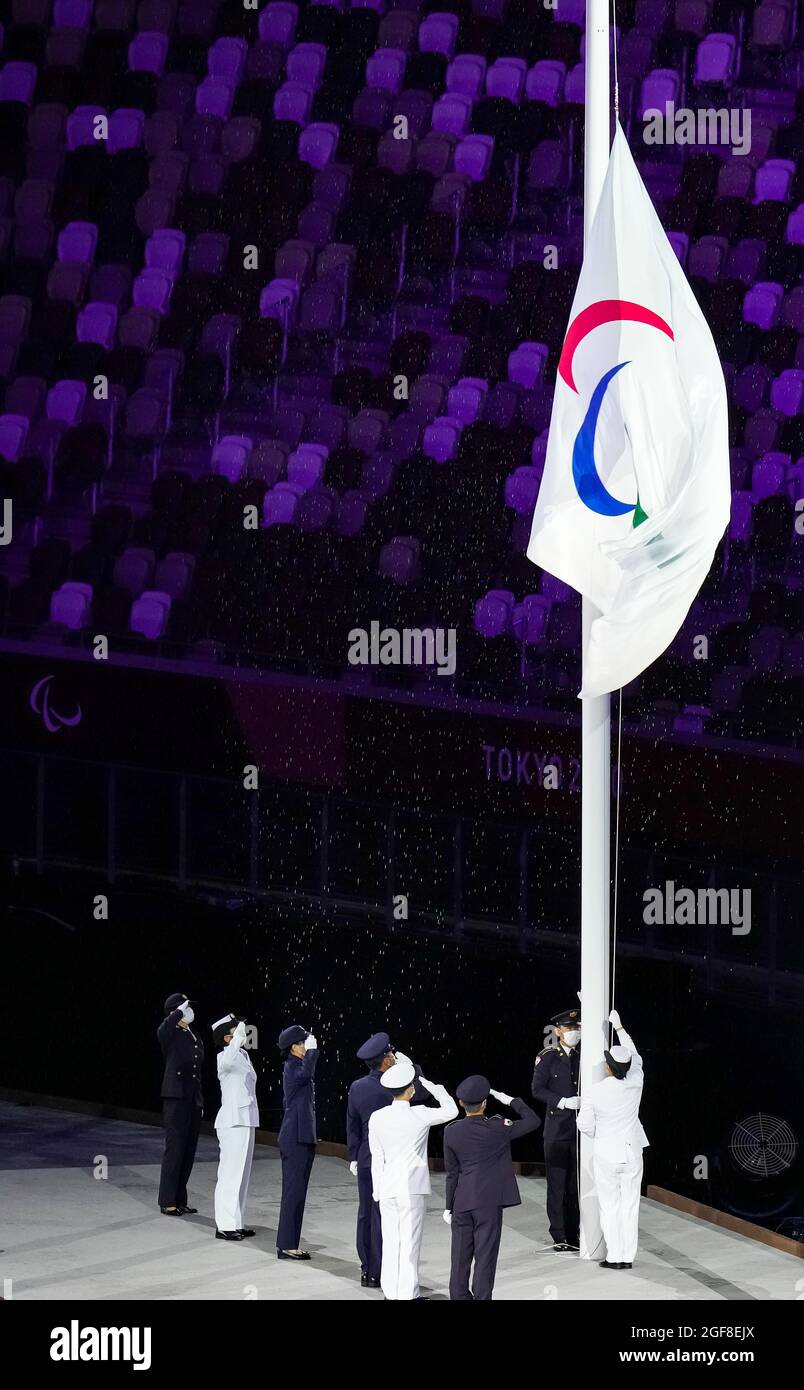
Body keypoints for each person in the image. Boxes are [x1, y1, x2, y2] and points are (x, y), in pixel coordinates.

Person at [346, 1032, 433, 1289]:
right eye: (391, 1055)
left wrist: (354, 1154)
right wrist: (413, 1068)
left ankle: (369, 1271)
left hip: (364, 1158)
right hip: (392, 1163)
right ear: (385, 1061)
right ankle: (387, 1275)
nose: (394, 1058)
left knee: (366, 1216)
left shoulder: (358, 1087)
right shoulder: (393, 1087)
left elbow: (351, 1124)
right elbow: (424, 1092)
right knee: (389, 1221)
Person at [443, 1075, 541, 1300]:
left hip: (461, 1203)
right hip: (488, 1203)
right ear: (485, 1103)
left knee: (459, 1259)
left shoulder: (451, 1131)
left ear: (461, 1103)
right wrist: (512, 1101)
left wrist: (449, 1206)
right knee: (485, 1258)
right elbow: (533, 1120)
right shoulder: (498, 1127)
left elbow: (452, 1174)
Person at [368, 1059, 457, 1301]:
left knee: (391, 1241)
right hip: (412, 1188)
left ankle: (391, 1292)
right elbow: (452, 1111)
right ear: (411, 1089)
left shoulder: (377, 1117)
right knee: (409, 1241)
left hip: (386, 1187)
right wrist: (438, 1089)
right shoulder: (420, 1113)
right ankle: (407, 1294)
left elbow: (377, 1157)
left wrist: (377, 1190)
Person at [576, 1009, 649, 1270]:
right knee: (630, 1204)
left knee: (609, 1205)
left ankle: (615, 1256)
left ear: (608, 1067)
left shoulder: (595, 1091)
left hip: (607, 1153)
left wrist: (601, 1135)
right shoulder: (636, 1081)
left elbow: (583, 1124)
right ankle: (627, 1257)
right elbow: (636, 1056)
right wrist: (619, 1028)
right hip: (631, 1152)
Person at [531, 1006, 581, 1251]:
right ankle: (559, 1235)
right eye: (569, 1028)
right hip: (557, 1131)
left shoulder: (582, 1056)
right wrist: (562, 1102)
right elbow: (537, 1089)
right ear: (558, 1031)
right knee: (557, 1185)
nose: (573, 1032)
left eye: (576, 1028)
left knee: (575, 1187)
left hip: (580, 1131)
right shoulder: (548, 1056)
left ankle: (574, 1233)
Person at [212, 1013, 258, 1242]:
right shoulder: (224, 1057)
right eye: (237, 1033)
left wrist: (239, 1043)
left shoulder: (243, 1055)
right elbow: (229, 1060)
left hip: (246, 1119)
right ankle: (225, 1225)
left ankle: (237, 1222)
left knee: (242, 1175)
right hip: (232, 1121)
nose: (243, 1036)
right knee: (230, 1174)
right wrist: (237, 1039)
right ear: (228, 1037)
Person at [157, 992, 204, 1216]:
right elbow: (162, 1029)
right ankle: (167, 1200)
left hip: (192, 1099)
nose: (190, 1012)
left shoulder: (192, 1034)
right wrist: (177, 1013)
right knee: (175, 1149)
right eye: (186, 1008)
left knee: (188, 1151)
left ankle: (180, 1199)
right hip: (175, 1098)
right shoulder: (170, 1033)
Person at [276, 1023, 319, 1261]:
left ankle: (290, 1242)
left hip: (302, 1138)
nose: (306, 1046)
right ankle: (286, 1245)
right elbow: (306, 1074)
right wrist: (313, 1054)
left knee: (298, 1193)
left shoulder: (298, 1066)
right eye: (303, 1043)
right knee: (293, 1193)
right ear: (294, 1047)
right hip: (295, 1139)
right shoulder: (293, 1067)